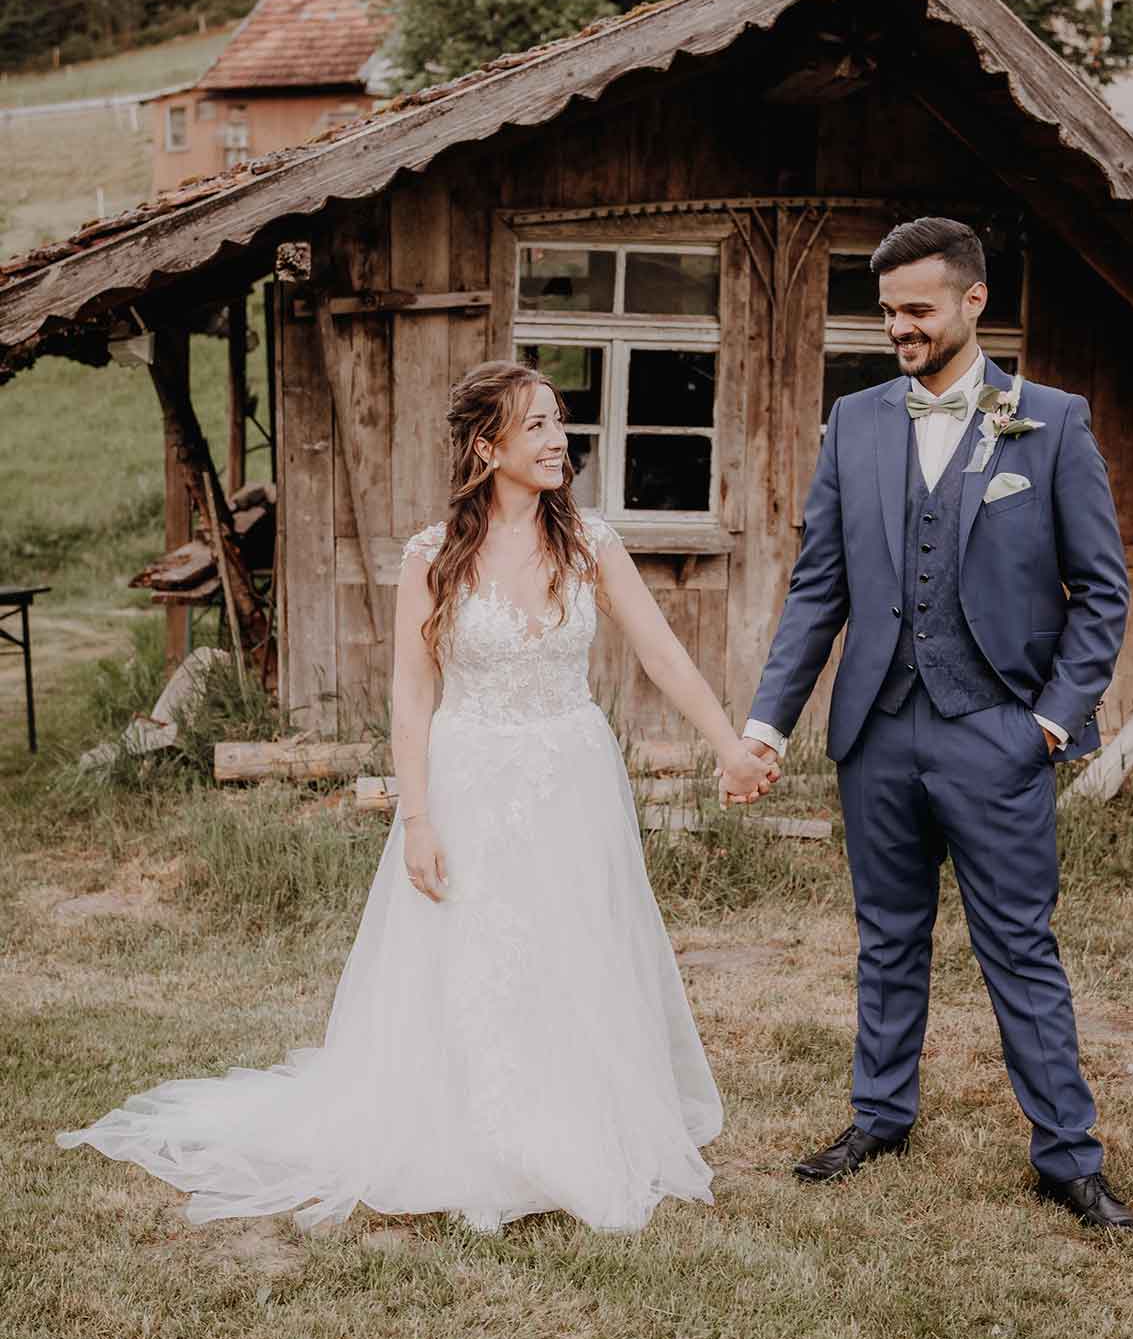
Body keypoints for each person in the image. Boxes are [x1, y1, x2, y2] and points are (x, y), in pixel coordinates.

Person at [59, 360, 776, 1233]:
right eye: (537, 426)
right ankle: (472, 1136)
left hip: (570, 776)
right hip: (469, 774)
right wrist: (418, 816)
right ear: (488, 445)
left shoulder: (591, 543)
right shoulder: (434, 556)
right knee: (470, 955)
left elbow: (663, 654)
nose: (559, 440)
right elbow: (411, 693)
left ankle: (578, 1128)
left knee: (573, 945)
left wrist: (728, 750)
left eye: (560, 422)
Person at [724, 217, 1133, 1233]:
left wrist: (1048, 723)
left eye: (914, 309)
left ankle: (1067, 1157)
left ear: (970, 303)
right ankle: (878, 1116)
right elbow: (816, 588)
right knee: (886, 937)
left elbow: (1099, 592)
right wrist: (767, 726)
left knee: (1017, 945)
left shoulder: (1047, 422)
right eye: (885, 312)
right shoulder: (855, 421)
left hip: (995, 732)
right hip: (874, 731)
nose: (896, 329)